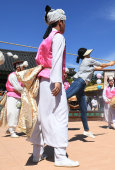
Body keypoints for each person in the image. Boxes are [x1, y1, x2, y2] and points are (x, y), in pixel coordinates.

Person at [29, 6, 79, 167]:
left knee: (41, 116)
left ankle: (37, 154)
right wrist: (58, 79)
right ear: (60, 22)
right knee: (60, 115)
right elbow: (56, 59)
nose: (65, 25)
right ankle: (60, 157)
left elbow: (39, 59)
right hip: (52, 80)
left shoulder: (45, 40)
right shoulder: (58, 37)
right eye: (64, 22)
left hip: (43, 80)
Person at [66, 47, 115, 138]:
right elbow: (103, 65)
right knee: (64, 96)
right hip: (79, 82)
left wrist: (109, 65)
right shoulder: (88, 60)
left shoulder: (87, 63)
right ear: (85, 54)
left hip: (81, 85)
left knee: (84, 109)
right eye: (88, 53)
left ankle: (86, 130)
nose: (90, 54)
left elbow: (99, 68)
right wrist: (110, 64)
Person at [4, 61, 27, 138]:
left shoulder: (20, 76)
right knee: (13, 113)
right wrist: (27, 92)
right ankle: (12, 130)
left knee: (16, 114)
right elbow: (17, 87)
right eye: (23, 67)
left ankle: (10, 129)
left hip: (19, 97)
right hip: (13, 97)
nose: (24, 68)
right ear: (18, 67)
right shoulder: (12, 76)